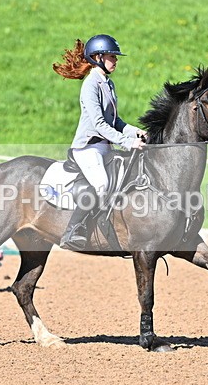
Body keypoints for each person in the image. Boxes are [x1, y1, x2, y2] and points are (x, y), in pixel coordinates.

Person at [52, 34, 146, 250]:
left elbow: (116, 121)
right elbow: (99, 124)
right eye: (112, 56)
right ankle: (74, 230)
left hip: (105, 146)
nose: (116, 60)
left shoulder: (108, 84)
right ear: (98, 57)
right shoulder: (91, 85)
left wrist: (135, 133)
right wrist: (127, 143)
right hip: (87, 147)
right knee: (101, 184)